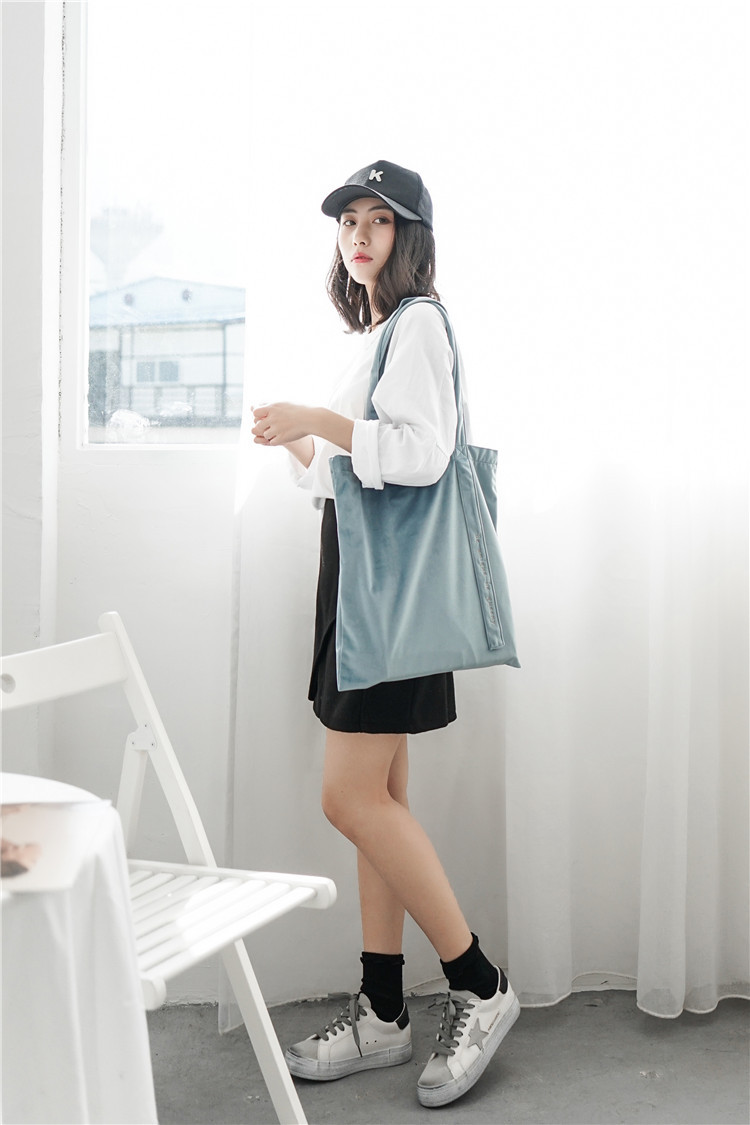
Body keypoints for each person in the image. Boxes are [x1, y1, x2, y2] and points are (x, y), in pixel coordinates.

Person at [251, 160, 519, 1108]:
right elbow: (351, 470)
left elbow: (420, 454)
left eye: (379, 220)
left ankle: (478, 982)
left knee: (351, 797)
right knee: (382, 799)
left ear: (412, 236)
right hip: (364, 579)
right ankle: (383, 1008)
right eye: (348, 222)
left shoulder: (420, 324)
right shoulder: (377, 333)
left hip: (389, 589)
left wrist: (321, 419)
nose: (359, 235)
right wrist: (299, 440)